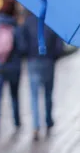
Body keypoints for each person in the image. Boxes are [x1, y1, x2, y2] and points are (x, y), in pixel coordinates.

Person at [20, 11, 63, 141]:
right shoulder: (52, 22)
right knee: (48, 94)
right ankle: (48, 121)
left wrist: (29, 53)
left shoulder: (28, 22)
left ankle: (35, 126)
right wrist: (53, 56)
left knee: (34, 95)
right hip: (48, 61)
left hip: (33, 61)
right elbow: (59, 46)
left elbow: (22, 44)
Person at [0, 0, 22, 137]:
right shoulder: (15, 26)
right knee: (14, 96)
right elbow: (22, 47)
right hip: (14, 68)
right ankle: (17, 122)